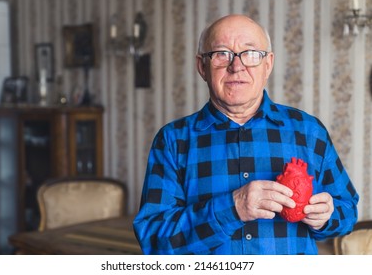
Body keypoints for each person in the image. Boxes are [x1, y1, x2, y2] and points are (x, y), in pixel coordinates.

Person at [133, 14, 359, 255]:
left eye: (251, 54)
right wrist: (232, 208)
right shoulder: (172, 141)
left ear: (268, 64)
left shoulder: (309, 131)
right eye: (222, 54)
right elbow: (153, 239)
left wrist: (327, 216)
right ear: (202, 67)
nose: (236, 66)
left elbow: (348, 211)